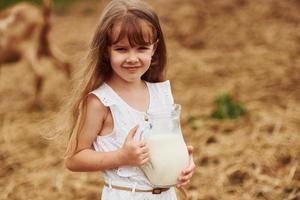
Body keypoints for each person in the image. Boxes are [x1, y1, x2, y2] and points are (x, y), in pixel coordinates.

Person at [64, 0, 195, 199]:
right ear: (106, 50)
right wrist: (121, 157)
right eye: (121, 49)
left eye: (142, 48)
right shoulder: (101, 102)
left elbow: (168, 144)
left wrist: (184, 163)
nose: (132, 58)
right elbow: (74, 159)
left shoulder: (161, 93)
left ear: (155, 48)